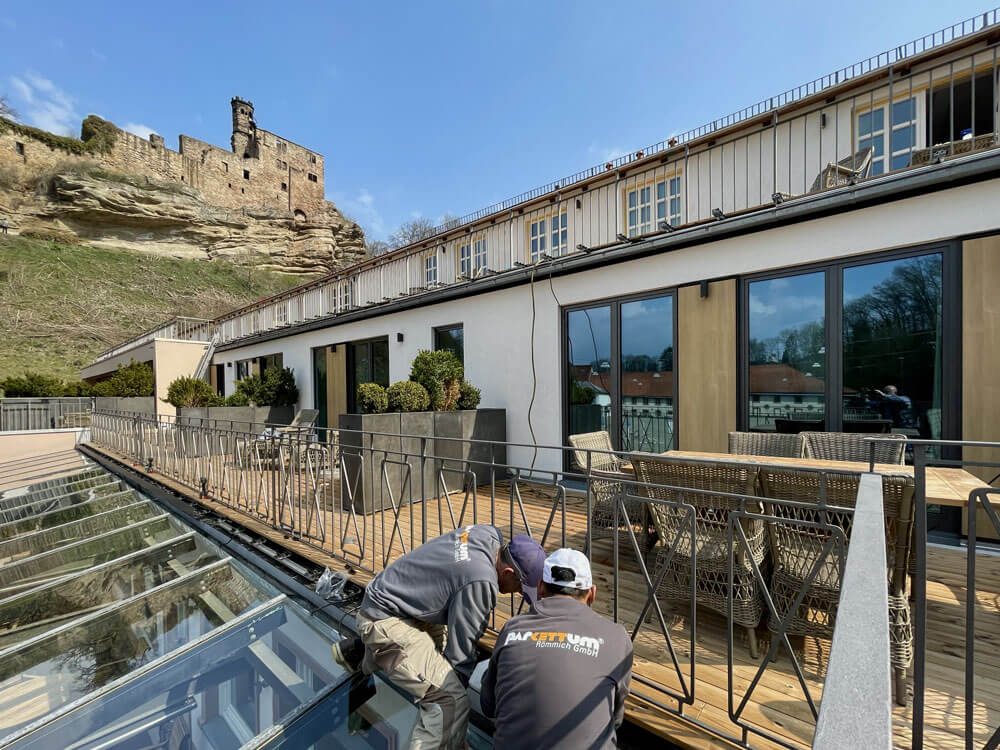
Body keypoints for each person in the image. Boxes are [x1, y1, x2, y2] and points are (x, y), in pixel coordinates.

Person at [333, 525, 545, 750]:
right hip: (386, 619)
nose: (517, 593)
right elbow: (461, 655)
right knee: (448, 698)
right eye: (520, 589)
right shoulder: (481, 582)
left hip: (399, 602)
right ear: (508, 573)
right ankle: (375, 647)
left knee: (434, 669)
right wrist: (453, 707)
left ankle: (357, 652)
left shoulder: (485, 535)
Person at [481, 548, 633, 750]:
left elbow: (488, 705)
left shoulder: (512, 629)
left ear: (541, 587)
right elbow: (616, 718)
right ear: (592, 594)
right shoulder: (617, 638)